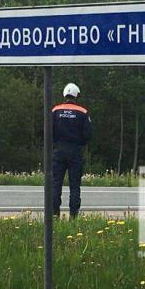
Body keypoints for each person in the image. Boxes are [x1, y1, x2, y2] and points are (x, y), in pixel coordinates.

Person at [51, 82, 93, 218]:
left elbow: (48, 130)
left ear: (64, 94)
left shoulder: (55, 110)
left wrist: (56, 142)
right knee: (75, 186)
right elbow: (88, 135)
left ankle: (54, 215)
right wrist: (80, 143)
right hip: (75, 151)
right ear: (76, 96)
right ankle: (73, 217)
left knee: (56, 184)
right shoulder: (83, 112)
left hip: (59, 150)